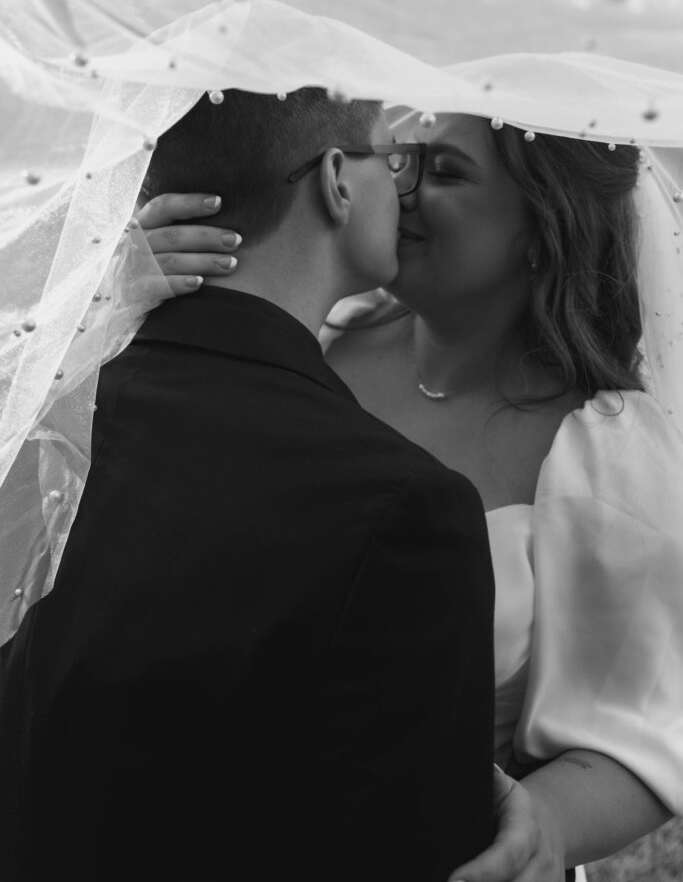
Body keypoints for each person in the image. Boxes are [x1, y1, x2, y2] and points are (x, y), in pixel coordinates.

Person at [144, 109, 683, 882]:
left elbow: (637, 728)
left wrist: (544, 827)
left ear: (542, 229)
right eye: (401, 160)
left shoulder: (602, 454)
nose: (400, 190)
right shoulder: (319, 338)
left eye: (445, 172)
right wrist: (125, 303)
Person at [0, 88, 497, 882]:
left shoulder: (48, 430)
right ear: (337, 179)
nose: (401, 187)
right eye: (390, 157)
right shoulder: (404, 508)